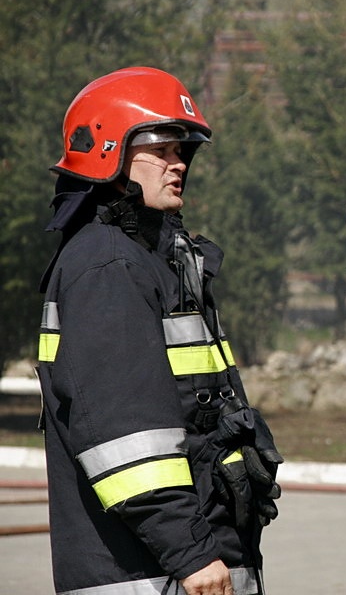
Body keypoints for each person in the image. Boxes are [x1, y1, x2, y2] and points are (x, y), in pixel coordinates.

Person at [36, 67, 283, 595]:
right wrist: (192, 554)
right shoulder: (107, 269)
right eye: (161, 149)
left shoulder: (154, 261)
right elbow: (125, 437)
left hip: (187, 563)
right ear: (108, 151)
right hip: (150, 573)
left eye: (183, 151)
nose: (179, 164)